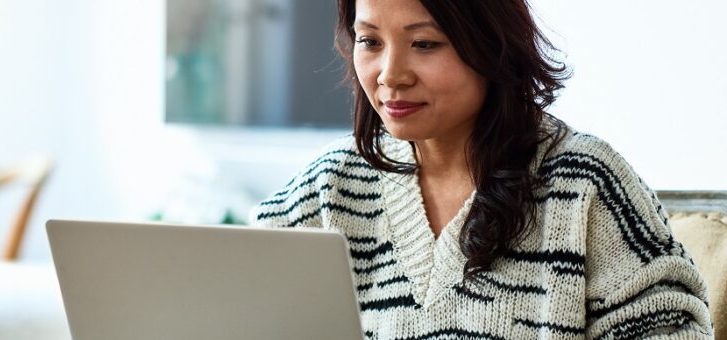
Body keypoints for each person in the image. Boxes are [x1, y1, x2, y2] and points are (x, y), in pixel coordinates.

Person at [249, 0, 714, 338]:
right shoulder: (331, 184)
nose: (391, 74)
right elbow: (231, 307)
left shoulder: (586, 183)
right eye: (369, 41)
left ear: (493, 44)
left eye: (425, 43)